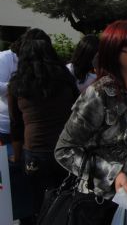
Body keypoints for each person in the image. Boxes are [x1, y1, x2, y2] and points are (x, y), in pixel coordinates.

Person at [56, 20, 127, 219]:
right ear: (115, 53)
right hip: (103, 196)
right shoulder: (99, 94)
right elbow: (64, 150)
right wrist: (113, 174)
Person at [8, 28, 80, 220]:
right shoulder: (65, 79)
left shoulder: (17, 84)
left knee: (36, 205)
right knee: (65, 202)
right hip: (66, 149)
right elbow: (78, 112)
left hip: (35, 152)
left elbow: (16, 126)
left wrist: (16, 157)